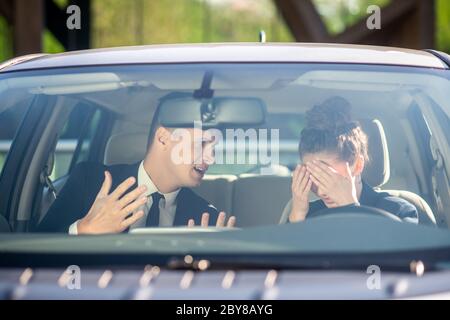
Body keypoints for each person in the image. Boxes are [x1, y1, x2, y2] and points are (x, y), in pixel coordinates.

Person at [37, 107, 235, 234]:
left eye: (213, 147)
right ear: (163, 138)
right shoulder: (90, 181)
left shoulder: (205, 218)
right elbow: (33, 252)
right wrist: (83, 229)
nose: (211, 158)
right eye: (201, 144)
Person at [289, 96, 418, 224]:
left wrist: (350, 207)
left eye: (327, 176)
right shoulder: (306, 215)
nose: (321, 192)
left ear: (357, 165)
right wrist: (297, 217)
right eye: (314, 177)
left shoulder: (398, 212)